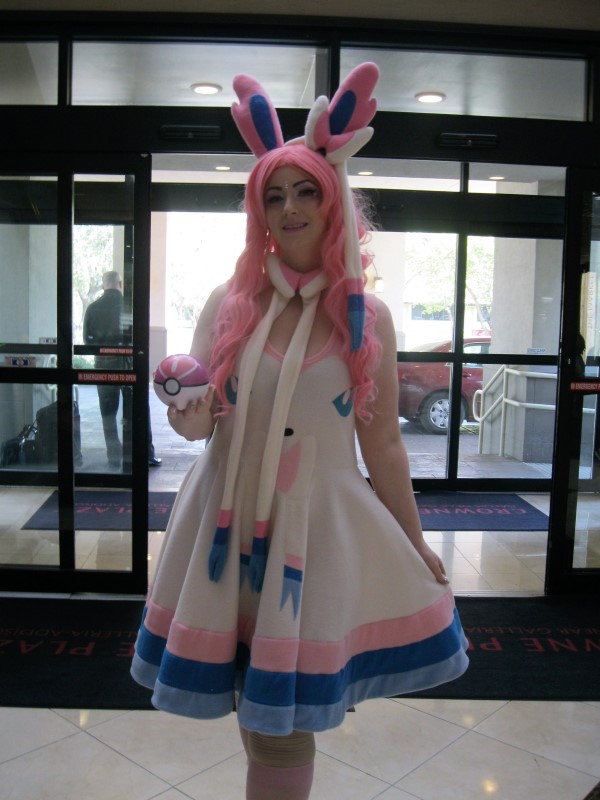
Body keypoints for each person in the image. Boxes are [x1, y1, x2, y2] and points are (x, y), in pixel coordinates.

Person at [131, 64, 468, 800]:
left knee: (283, 724)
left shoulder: (367, 317)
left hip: (312, 537)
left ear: (334, 200)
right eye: (273, 195)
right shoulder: (229, 300)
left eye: (305, 191)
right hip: (225, 523)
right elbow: (203, 417)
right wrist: (187, 414)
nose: (288, 208)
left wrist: (414, 542)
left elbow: (383, 446)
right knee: (256, 710)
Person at [83, 270, 161, 467]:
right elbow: (139, 337)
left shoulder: (92, 308)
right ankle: (145, 454)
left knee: (108, 413)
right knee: (138, 409)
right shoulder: (130, 307)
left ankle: (114, 457)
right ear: (120, 283)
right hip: (128, 363)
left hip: (103, 365)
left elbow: (87, 342)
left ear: (104, 285)